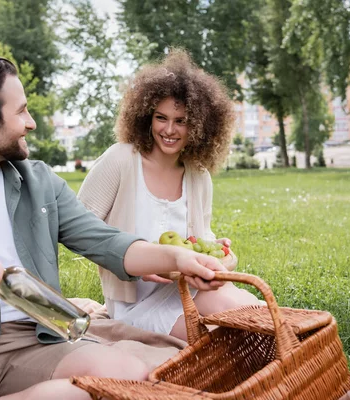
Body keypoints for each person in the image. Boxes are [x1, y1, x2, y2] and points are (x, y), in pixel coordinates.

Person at [0, 55, 227, 400]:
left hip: (33, 343)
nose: (31, 122)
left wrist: (177, 256)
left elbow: (107, 243)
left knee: (122, 373)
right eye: (21, 111)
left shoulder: (39, 183)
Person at [77, 50, 260, 342]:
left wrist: (215, 248)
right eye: (161, 118)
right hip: (132, 305)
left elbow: (200, 239)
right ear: (146, 117)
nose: (169, 130)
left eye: (181, 121)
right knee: (233, 332)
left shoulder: (198, 175)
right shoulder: (121, 160)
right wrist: (139, 263)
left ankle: (305, 376)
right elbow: (78, 232)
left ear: (199, 125)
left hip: (186, 290)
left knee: (248, 312)